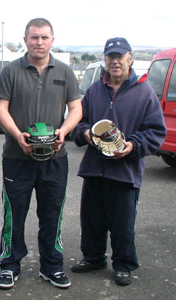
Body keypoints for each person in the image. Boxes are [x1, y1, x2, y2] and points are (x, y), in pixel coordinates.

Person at [70, 37, 166, 286]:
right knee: (91, 219)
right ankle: (93, 257)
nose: (115, 61)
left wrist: (133, 145)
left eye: (120, 57)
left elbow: (156, 133)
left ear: (130, 58)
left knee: (122, 224)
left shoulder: (144, 93)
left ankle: (123, 265)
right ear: (105, 59)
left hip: (125, 170)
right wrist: (85, 134)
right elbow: (78, 124)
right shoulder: (93, 91)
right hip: (94, 169)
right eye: (110, 57)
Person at [0, 18, 82, 290]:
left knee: (52, 214)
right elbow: (1, 109)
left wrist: (63, 132)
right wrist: (17, 135)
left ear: (52, 40)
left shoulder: (65, 72)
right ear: (25, 40)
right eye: (34, 37)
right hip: (17, 158)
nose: (39, 42)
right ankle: (9, 265)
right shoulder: (10, 70)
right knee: (14, 215)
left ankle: (52, 266)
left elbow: (76, 110)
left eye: (44, 37)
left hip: (55, 160)